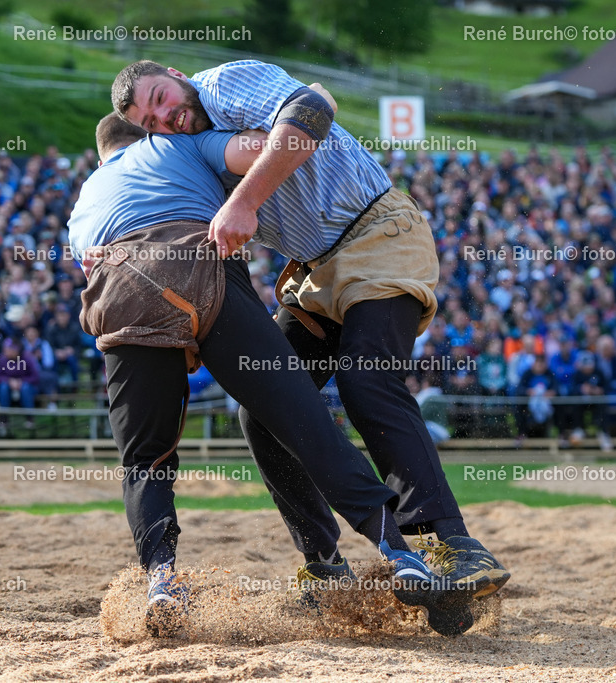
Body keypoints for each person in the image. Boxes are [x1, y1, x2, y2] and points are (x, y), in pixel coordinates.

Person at [68, 114, 475, 637]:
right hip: (199, 263)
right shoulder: (180, 145)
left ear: (101, 155)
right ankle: (400, 554)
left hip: (121, 288)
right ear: (146, 136)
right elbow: (268, 149)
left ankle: (162, 581)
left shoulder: (85, 200)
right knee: (302, 420)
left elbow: (88, 261)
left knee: (146, 458)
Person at [113, 59, 509, 595]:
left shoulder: (224, 83)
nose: (165, 116)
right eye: (150, 120)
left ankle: (456, 546)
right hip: (315, 270)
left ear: (174, 73)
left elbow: (312, 110)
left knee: (366, 379)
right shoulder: (192, 148)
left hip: (378, 233)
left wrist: (244, 201)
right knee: (263, 413)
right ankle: (325, 567)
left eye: (161, 96)